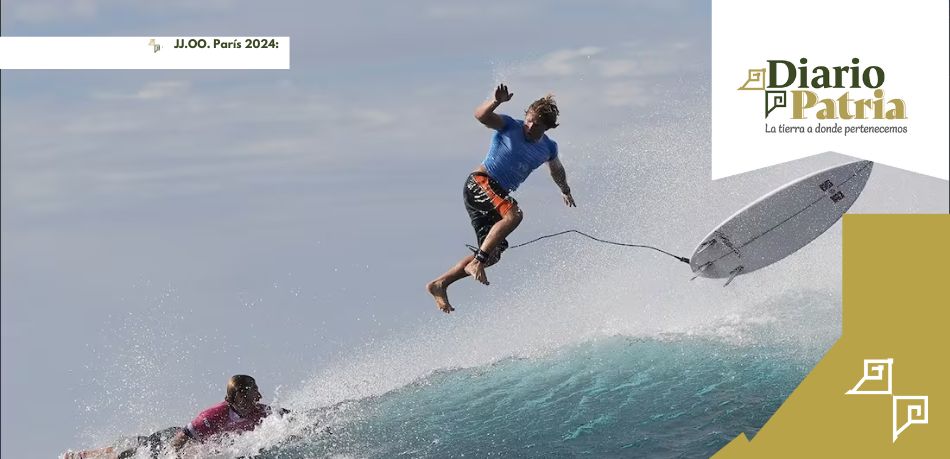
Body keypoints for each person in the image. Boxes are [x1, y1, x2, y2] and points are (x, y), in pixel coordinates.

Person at [427, 84, 575, 313]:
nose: (530, 126)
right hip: (480, 182)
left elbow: (557, 170)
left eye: (536, 124)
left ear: (547, 128)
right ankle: (476, 262)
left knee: (492, 254)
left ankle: (440, 284)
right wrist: (495, 102)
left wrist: (565, 189)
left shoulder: (549, 148)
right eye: (528, 119)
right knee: (514, 215)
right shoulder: (509, 126)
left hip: (497, 194)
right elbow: (480, 116)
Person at [170, 374, 286, 452]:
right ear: (241, 396)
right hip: (172, 437)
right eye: (255, 391)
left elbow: (292, 418)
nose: (260, 396)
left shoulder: (260, 411)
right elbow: (180, 440)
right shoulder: (213, 416)